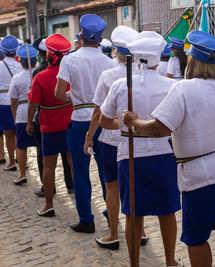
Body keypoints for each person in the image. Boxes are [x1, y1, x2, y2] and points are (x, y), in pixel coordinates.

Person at [121, 30, 215, 267]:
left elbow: (159, 129)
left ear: (193, 61)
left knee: (197, 239)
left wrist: (133, 122)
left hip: (199, 178)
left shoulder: (184, 89)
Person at [100, 31, 182, 266]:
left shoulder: (120, 85)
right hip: (164, 154)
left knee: (133, 214)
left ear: (135, 57)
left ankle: (134, 263)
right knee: (167, 213)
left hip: (131, 154)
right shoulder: (172, 86)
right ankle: (170, 261)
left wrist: (128, 125)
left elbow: (105, 121)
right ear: (158, 58)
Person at [55, 14, 114, 233]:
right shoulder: (109, 62)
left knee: (80, 173)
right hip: (103, 122)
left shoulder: (69, 59)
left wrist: (72, 97)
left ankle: (86, 219)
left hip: (79, 121)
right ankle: (112, 218)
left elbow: (60, 93)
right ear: (100, 39)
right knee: (106, 174)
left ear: (80, 36)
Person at [84, 25, 139, 250]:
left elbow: (98, 112)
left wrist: (89, 137)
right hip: (137, 138)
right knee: (135, 187)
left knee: (112, 188)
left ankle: (114, 233)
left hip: (110, 140)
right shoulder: (142, 72)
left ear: (115, 50)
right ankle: (141, 231)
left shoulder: (108, 76)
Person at [27, 33, 73, 217]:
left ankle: (49, 204)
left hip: (49, 127)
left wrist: (29, 122)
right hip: (70, 123)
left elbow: (33, 104)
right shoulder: (70, 73)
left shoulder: (40, 77)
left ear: (46, 55)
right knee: (73, 164)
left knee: (48, 167)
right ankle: (81, 198)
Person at [8, 44, 38, 185]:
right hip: (38, 112)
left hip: (21, 113)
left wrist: (15, 117)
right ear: (35, 61)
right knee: (41, 146)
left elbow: (13, 101)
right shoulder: (38, 75)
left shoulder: (17, 78)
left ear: (20, 61)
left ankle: (22, 174)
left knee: (21, 146)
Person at [0, 35, 23, 171]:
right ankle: (21, 160)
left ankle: (11, 162)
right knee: (18, 133)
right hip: (18, 102)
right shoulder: (20, 66)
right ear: (16, 52)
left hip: (3, 103)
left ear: (3, 51)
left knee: (8, 134)